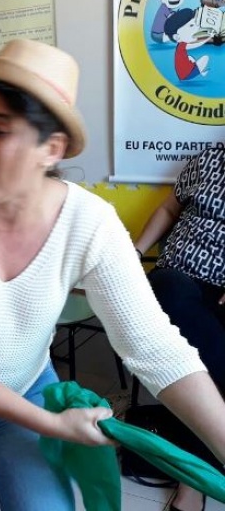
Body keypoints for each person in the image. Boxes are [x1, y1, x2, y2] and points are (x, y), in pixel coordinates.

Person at [0, 39, 225, 511]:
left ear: (51, 147)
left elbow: (154, 346)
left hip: (23, 384)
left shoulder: (90, 223)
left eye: (1, 130)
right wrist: (52, 424)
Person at [135, 148, 225, 511]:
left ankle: (191, 481)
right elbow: (170, 209)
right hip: (179, 277)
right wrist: (136, 251)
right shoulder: (208, 159)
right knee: (168, 288)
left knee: (200, 364)